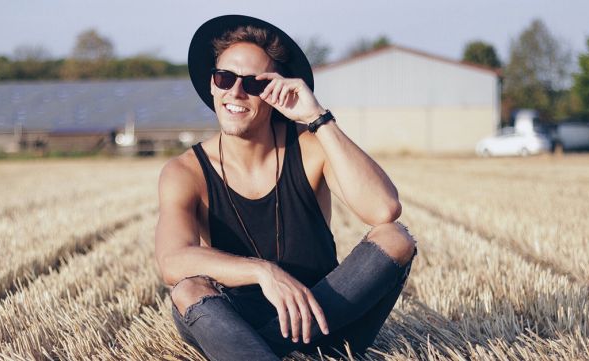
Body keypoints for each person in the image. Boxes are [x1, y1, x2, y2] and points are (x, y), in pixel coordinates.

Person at [155, 15, 417, 360]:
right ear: (212, 85)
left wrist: (317, 117)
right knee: (189, 290)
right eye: (225, 78)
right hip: (238, 321)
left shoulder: (310, 146)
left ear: (274, 92)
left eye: (253, 84)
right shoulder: (185, 171)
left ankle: (264, 351)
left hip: (326, 318)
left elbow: (384, 210)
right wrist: (264, 272)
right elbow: (172, 260)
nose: (235, 91)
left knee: (396, 237)